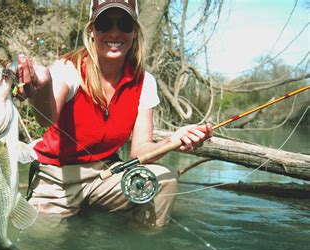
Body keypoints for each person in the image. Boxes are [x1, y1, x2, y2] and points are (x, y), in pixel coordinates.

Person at [15, 0, 213, 228]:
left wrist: (174, 141)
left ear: (135, 32)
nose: (115, 32)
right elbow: (45, 117)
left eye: (125, 24)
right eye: (104, 24)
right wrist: (43, 85)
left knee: (164, 178)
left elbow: (140, 151)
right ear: (91, 30)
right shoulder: (67, 68)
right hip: (57, 177)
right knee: (44, 246)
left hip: (106, 174)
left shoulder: (145, 82)